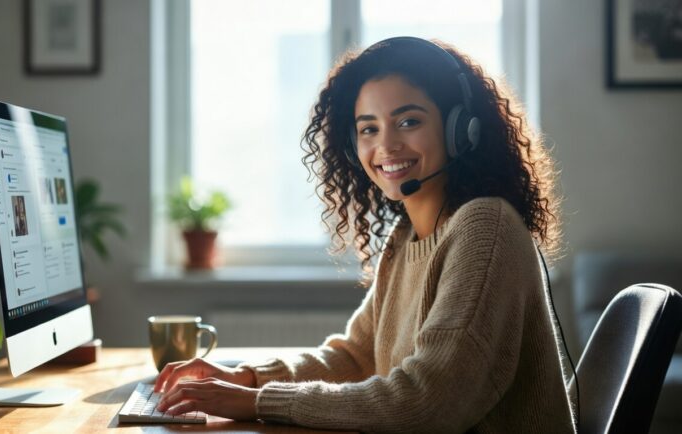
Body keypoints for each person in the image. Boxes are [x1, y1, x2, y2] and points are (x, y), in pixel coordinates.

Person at [153, 36, 576, 433]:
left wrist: (255, 401)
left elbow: (431, 400)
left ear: (462, 130)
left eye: (408, 121)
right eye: (369, 128)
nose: (386, 145)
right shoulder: (406, 234)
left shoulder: (485, 227)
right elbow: (355, 357)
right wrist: (245, 376)